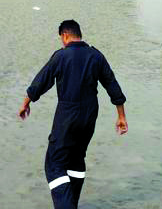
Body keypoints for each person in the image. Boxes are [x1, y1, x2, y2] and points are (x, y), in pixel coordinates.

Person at [18, 20, 127, 209]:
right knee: (76, 158)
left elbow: (42, 80)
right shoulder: (96, 55)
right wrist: (121, 116)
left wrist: (26, 103)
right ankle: (72, 203)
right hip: (89, 115)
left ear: (65, 35)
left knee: (54, 163)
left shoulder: (61, 56)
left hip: (67, 114)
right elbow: (112, 85)